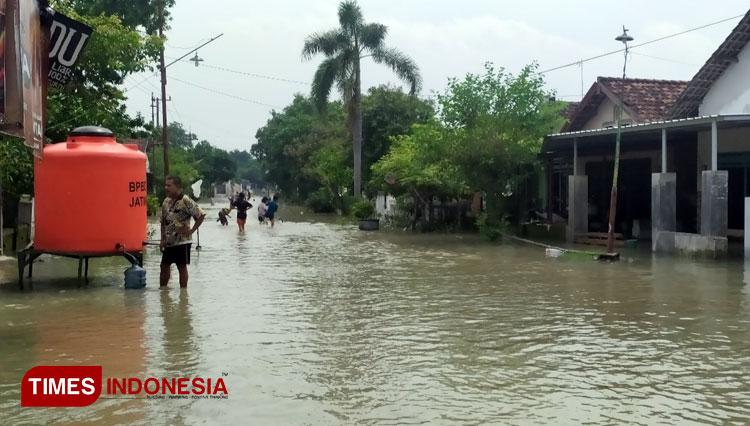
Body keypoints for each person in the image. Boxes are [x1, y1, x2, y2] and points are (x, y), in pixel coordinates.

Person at [160, 176, 206, 288]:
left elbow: (201, 215)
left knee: (181, 267)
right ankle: (163, 291)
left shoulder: (186, 200)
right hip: (169, 241)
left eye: (169, 185)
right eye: (165, 185)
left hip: (182, 241)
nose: (166, 188)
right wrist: (162, 239)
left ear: (178, 186)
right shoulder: (166, 201)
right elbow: (163, 222)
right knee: (164, 265)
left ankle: (183, 293)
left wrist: (192, 230)